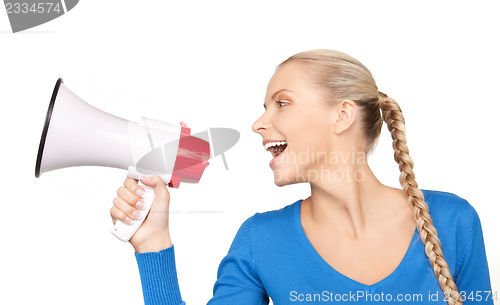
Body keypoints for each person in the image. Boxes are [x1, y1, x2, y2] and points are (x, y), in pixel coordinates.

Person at [110, 49, 493, 305]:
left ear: (342, 115)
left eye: (282, 103)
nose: (259, 123)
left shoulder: (453, 222)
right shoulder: (259, 242)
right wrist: (153, 245)